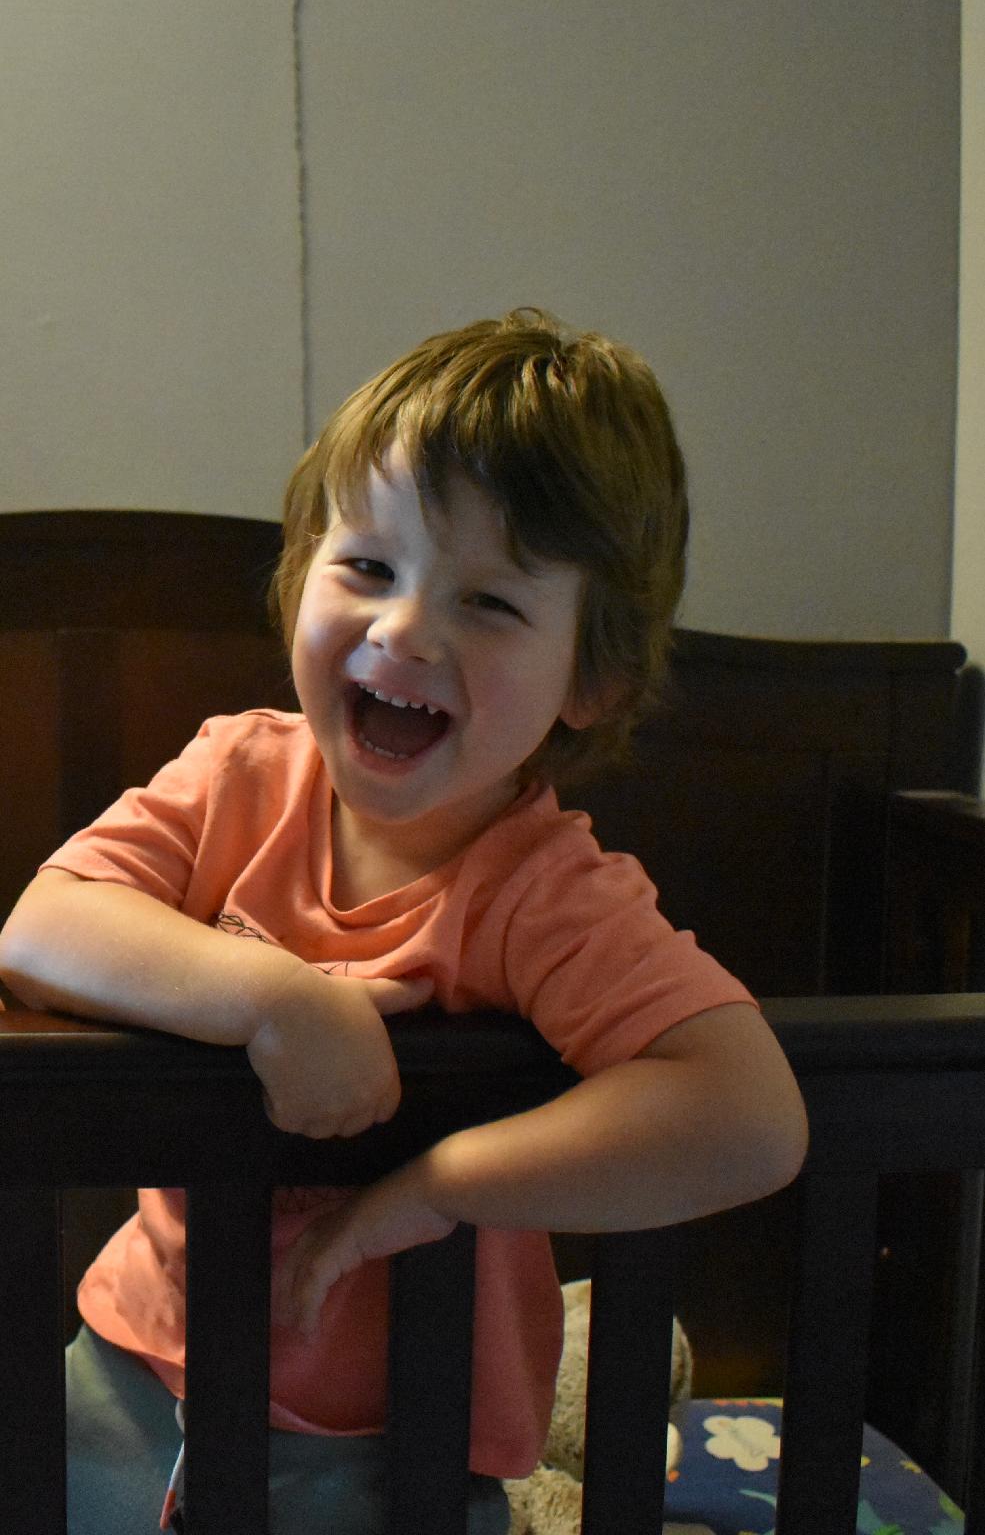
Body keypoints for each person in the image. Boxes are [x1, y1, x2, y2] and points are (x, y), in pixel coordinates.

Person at [0, 308, 808, 1535]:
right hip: (130, 1372)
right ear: (300, 579)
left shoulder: (545, 893)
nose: (404, 629)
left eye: (488, 601)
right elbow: (41, 928)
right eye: (369, 568)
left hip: (397, 1451)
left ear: (591, 677)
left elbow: (750, 1116)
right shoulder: (236, 777)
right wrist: (275, 998)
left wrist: (440, 1184)